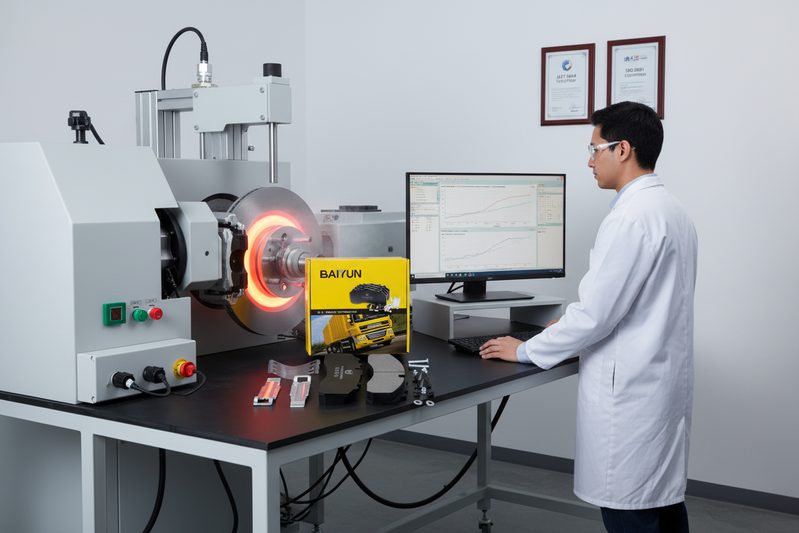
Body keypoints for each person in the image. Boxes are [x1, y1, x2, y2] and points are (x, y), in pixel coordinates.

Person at [479, 101, 698, 533]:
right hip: (660, 382)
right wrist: (566, 325)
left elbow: (597, 316)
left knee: (631, 511)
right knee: (663, 503)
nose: (589, 161)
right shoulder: (671, 210)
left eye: (595, 149)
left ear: (623, 149)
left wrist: (525, 349)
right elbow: (634, 300)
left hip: (631, 394)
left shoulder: (630, 218)